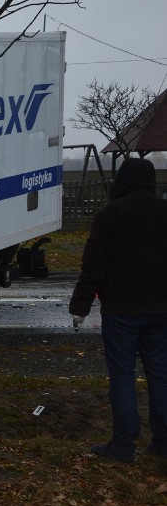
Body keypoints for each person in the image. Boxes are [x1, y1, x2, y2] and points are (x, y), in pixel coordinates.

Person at [70, 157, 167, 462]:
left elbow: (94, 263)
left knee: (123, 376)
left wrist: (80, 306)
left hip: (121, 311)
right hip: (162, 309)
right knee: (161, 374)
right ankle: (163, 443)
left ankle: (124, 444)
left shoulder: (110, 214)